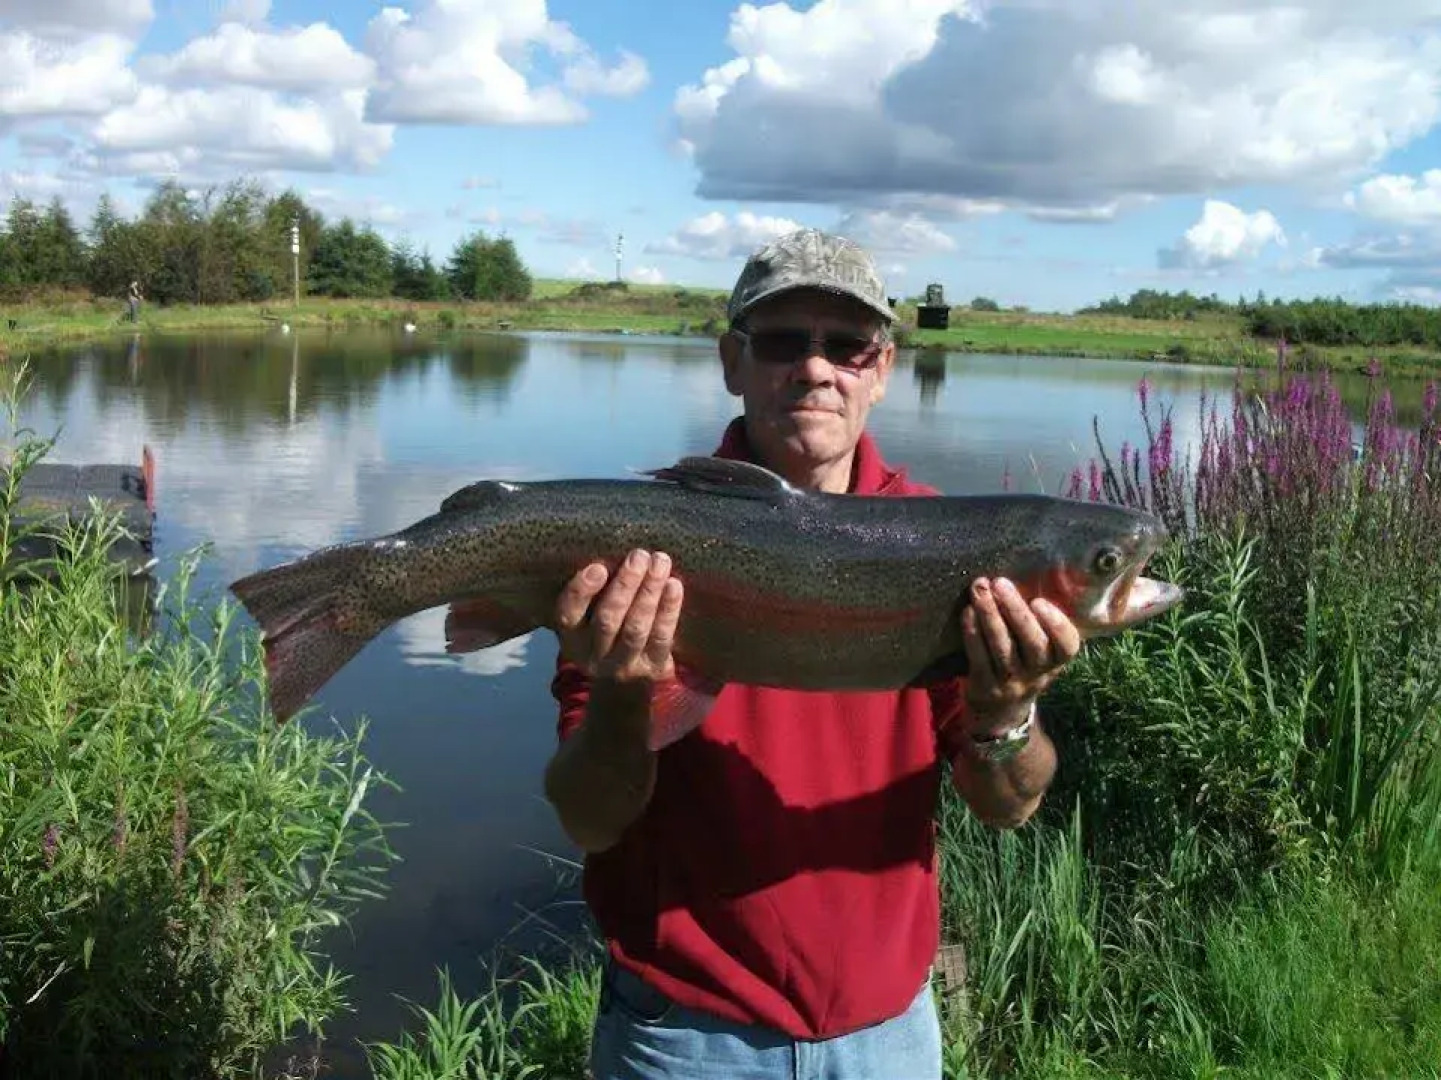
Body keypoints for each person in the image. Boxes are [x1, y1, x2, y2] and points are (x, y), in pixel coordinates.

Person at [543, 228, 1083, 1079]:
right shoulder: (644, 545)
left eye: (847, 346)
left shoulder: (947, 543)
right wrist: (621, 693)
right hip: (683, 1036)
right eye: (785, 342)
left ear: (881, 369)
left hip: (889, 1036)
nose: (816, 369)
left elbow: (1006, 806)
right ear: (732, 360)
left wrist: (1008, 711)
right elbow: (587, 819)